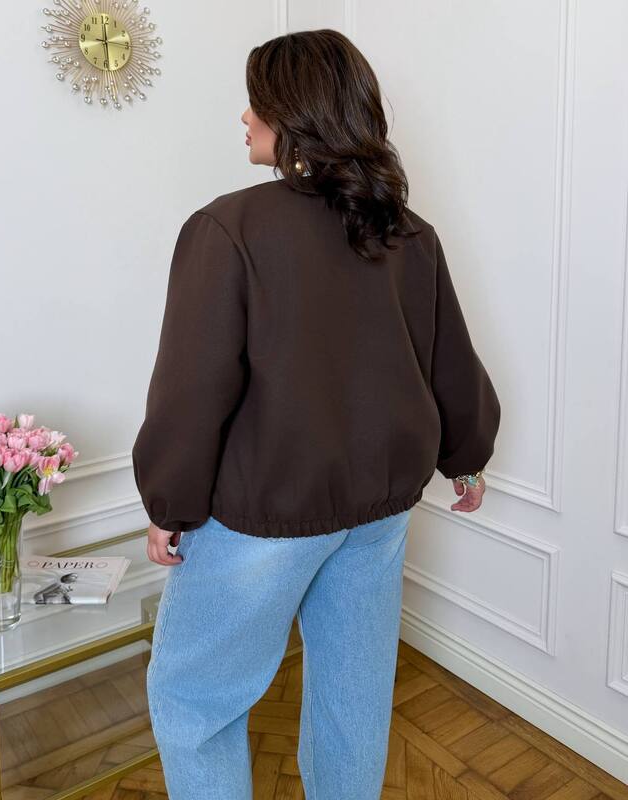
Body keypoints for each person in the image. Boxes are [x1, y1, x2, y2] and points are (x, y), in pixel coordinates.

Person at [131, 28, 501, 800]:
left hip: (266, 516)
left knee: (193, 701)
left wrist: (169, 503)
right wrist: (466, 455)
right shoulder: (406, 230)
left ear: (295, 114)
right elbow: (446, 358)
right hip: (378, 513)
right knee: (351, 698)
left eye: (257, 102)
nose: (244, 116)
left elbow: (192, 388)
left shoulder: (228, 227)